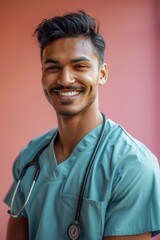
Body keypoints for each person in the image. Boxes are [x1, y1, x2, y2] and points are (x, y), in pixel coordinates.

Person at [4, 11, 160, 240]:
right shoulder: (29, 157)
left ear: (102, 74)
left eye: (79, 66)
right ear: (42, 75)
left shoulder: (133, 167)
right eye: (53, 67)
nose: (65, 79)